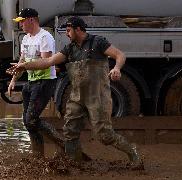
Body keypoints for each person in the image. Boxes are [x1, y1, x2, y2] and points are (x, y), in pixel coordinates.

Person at [8, 16, 143, 167]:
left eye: (68, 30)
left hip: (97, 97)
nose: (66, 33)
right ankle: (74, 163)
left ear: (78, 29)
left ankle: (132, 152)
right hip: (76, 97)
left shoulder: (97, 42)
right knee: (70, 131)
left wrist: (117, 68)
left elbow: (120, 55)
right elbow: (48, 62)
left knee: (104, 135)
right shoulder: (69, 48)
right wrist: (25, 66)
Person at [8, 8, 61, 156]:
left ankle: (61, 141)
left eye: (22, 21)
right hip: (31, 81)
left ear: (31, 20)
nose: (20, 25)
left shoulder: (45, 37)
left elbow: (46, 62)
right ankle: (38, 156)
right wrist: (13, 80)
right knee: (27, 121)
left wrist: (24, 66)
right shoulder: (26, 38)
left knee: (31, 119)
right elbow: (22, 60)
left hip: (44, 81)